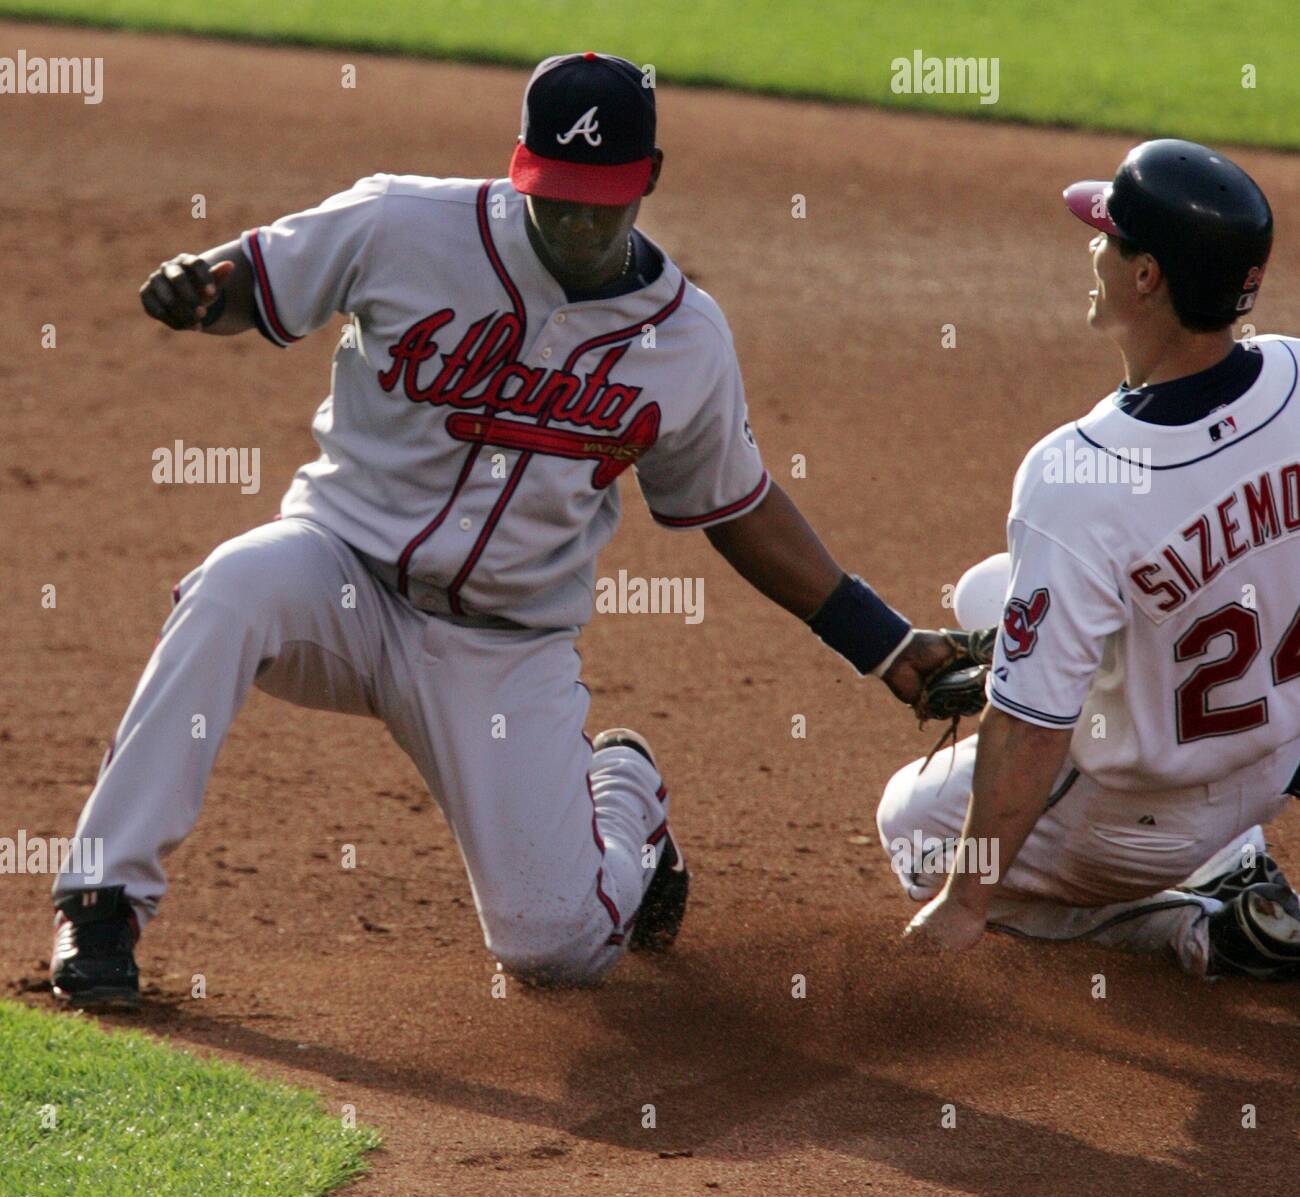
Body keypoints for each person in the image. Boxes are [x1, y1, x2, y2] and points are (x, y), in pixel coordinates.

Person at [51, 51, 952, 1007]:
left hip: (500, 650)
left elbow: (735, 507)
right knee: (231, 586)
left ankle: (626, 794)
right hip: (339, 582)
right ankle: (103, 900)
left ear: (648, 179)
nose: (573, 220)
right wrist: (203, 294)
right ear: (519, 164)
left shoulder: (687, 340)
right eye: (554, 195)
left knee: (555, 950)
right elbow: (254, 282)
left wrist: (879, 638)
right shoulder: (400, 221)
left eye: (600, 201)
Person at [878, 139, 1300, 980]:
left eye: (1108, 236)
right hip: (1271, 763)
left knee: (909, 825)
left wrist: (962, 907)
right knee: (986, 594)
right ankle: (1236, 857)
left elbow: (1031, 729)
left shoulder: (1079, 475)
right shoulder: (1295, 373)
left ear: (1147, 277)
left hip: (1139, 825)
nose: (1093, 249)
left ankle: (1194, 924)